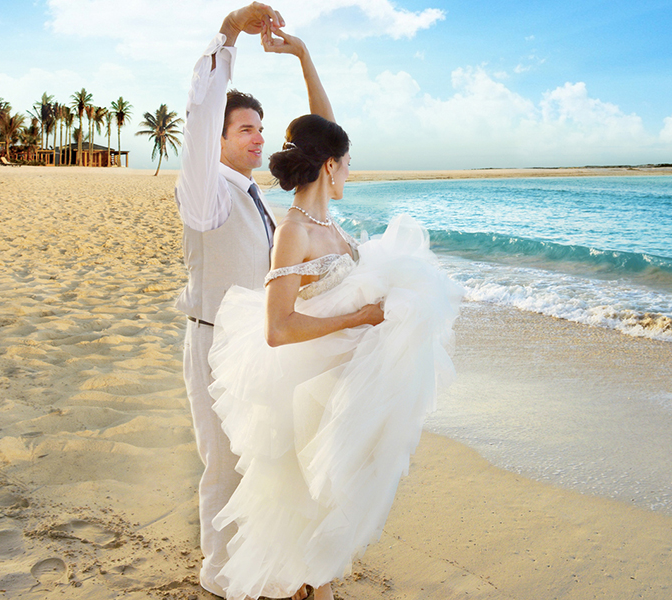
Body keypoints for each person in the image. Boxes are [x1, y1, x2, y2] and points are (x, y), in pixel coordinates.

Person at [206, 115, 462, 599]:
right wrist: (361, 318)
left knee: (334, 493)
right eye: (347, 164)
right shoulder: (294, 232)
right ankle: (316, 589)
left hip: (344, 380)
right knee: (311, 493)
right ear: (329, 166)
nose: (349, 173)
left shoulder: (336, 228)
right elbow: (277, 328)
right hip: (307, 381)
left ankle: (314, 585)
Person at [173, 3, 335, 596]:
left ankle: (266, 567)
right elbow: (197, 116)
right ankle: (221, 578)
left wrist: (301, 57)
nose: (258, 137)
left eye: (259, 129)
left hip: (264, 343)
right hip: (214, 339)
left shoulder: (260, 196)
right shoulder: (204, 192)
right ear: (216, 138)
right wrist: (231, 30)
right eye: (244, 128)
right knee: (222, 462)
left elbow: (328, 148)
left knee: (267, 459)